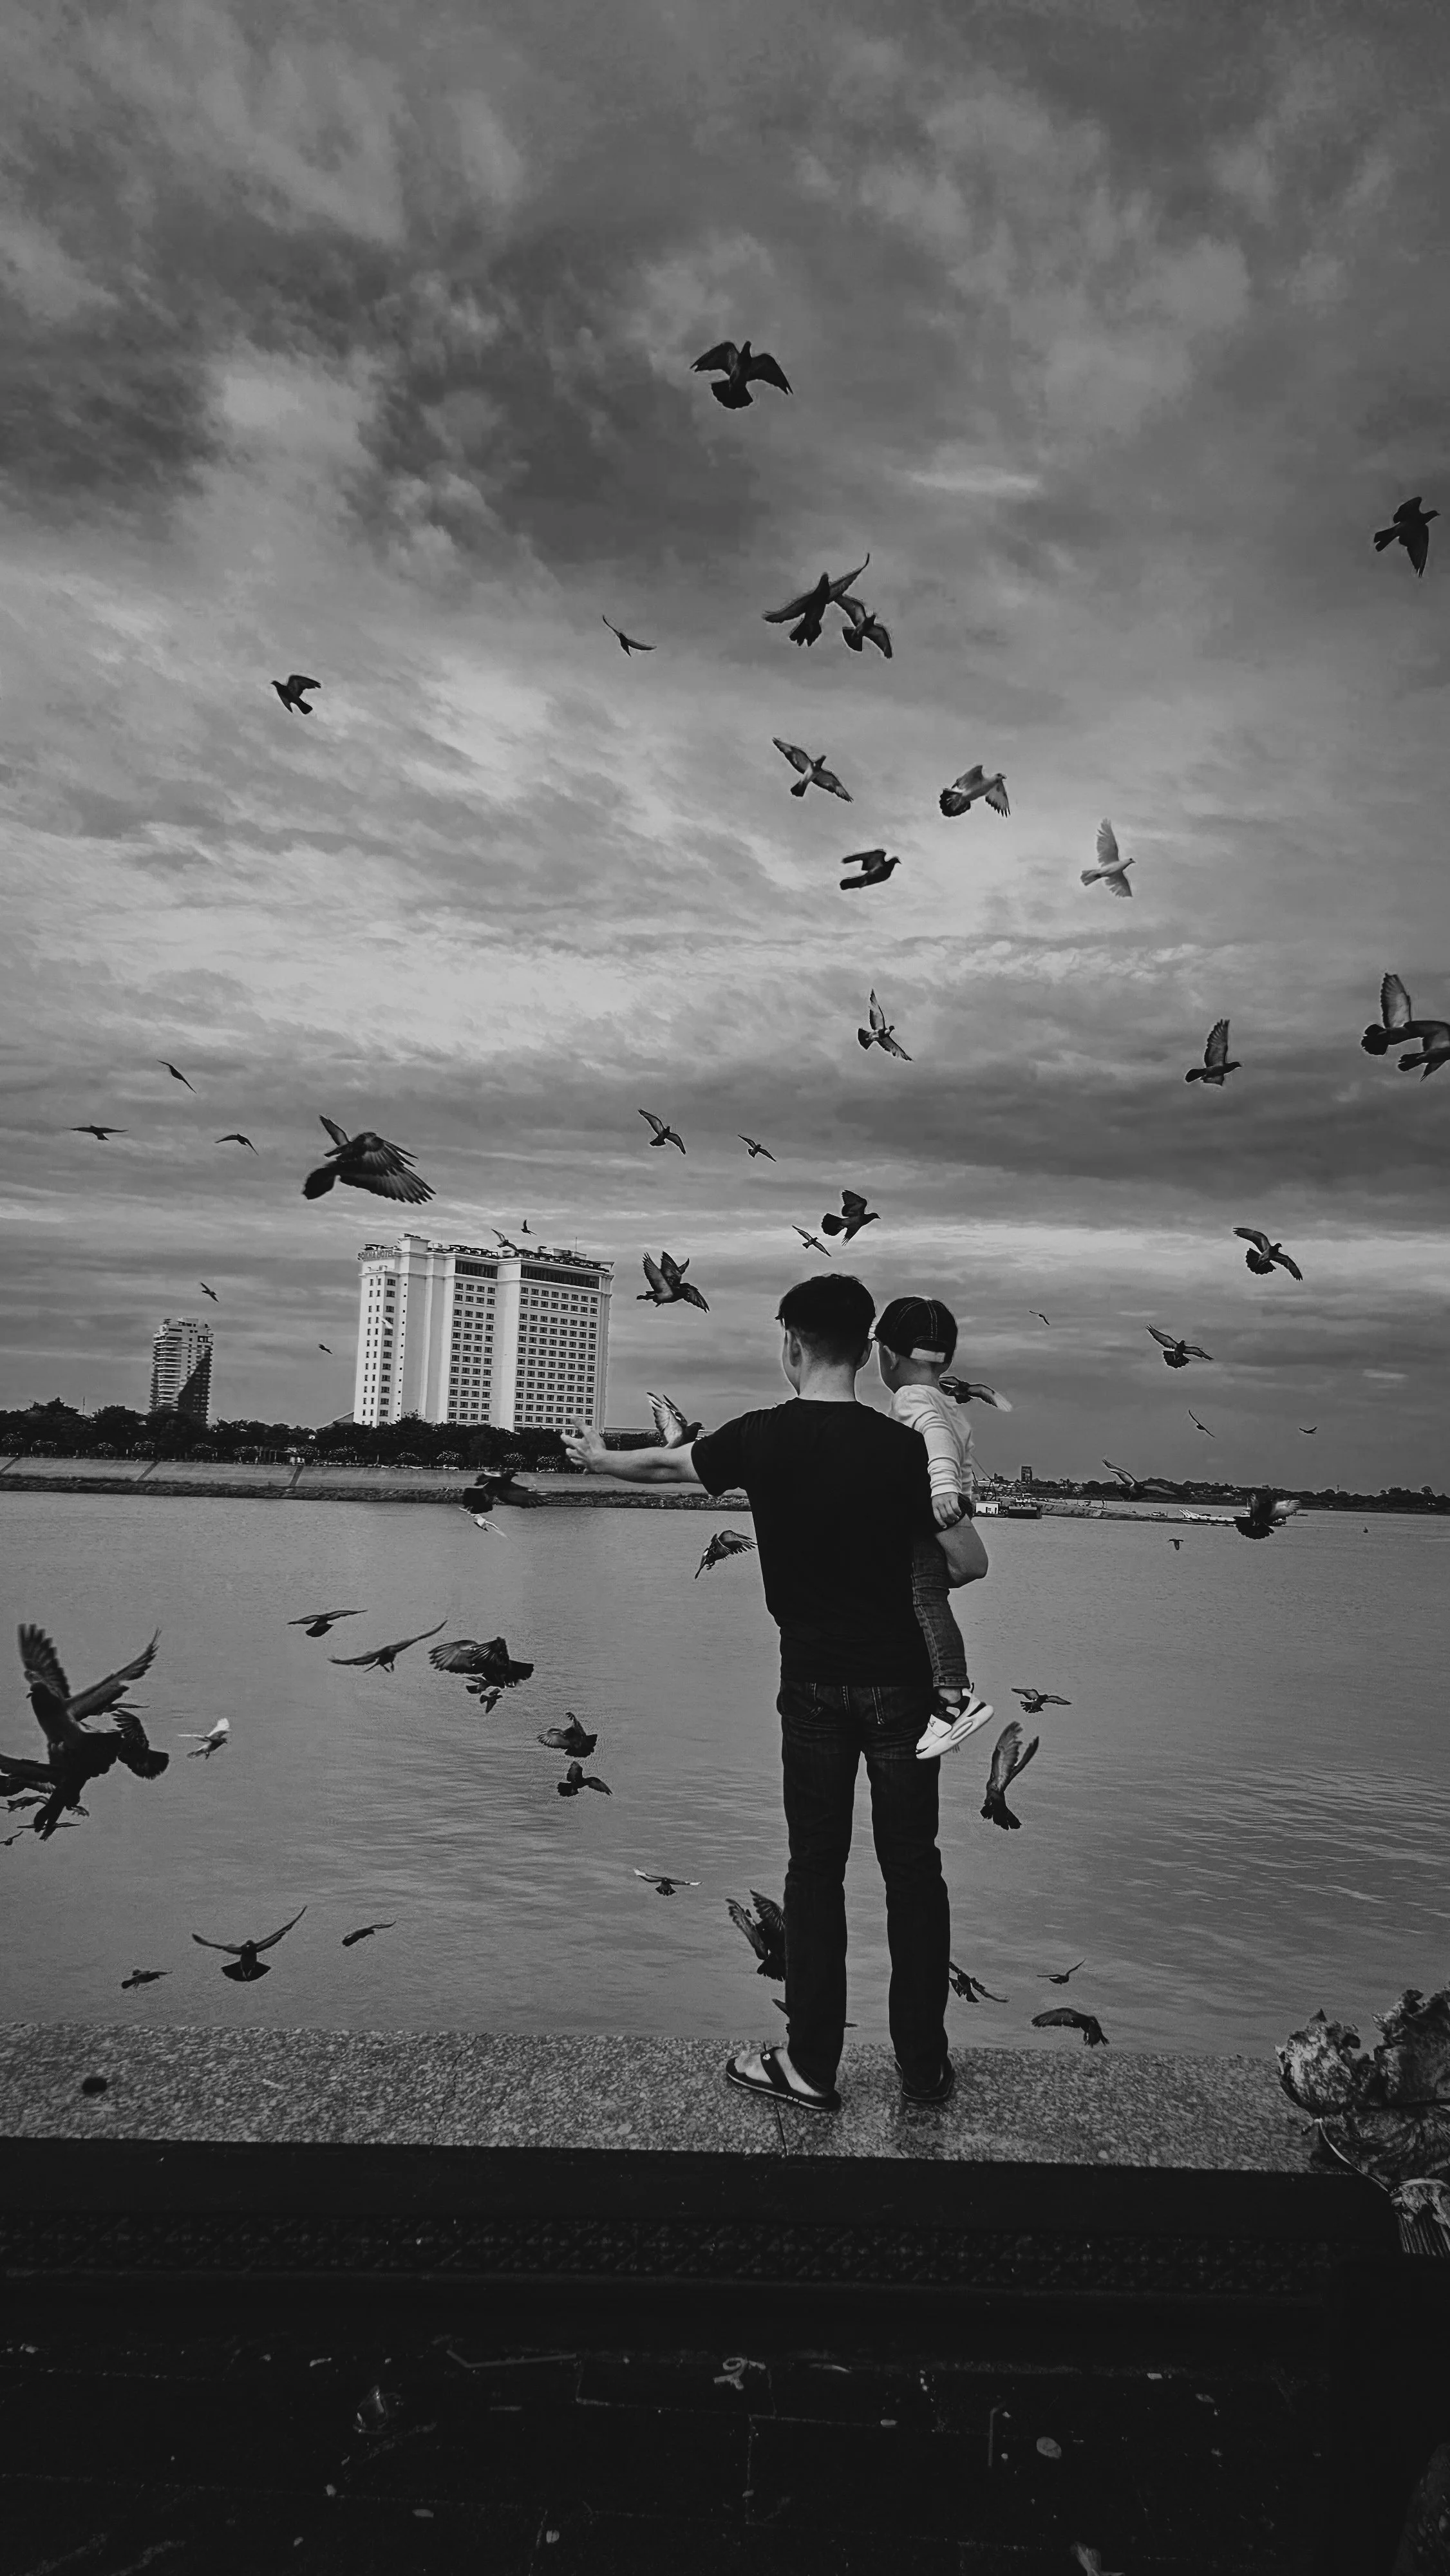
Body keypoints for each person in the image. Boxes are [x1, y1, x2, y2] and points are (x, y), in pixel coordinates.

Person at [563, 1271, 980, 2117]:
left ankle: (811, 2070)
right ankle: (923, 2069)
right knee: (914, 1874)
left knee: (814, 1876)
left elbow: (665, 1467)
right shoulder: (905, 1450)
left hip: (814, 1689)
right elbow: (967, 1560)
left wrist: (600, 1458)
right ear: (867, 1351)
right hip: (903, 1686)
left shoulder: (760, 1438)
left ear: (790, 1345)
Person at [871, 1295, 993, 1761]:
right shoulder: (947, 1402)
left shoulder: (910, 1398)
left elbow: (937, 1442)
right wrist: (958, 1500)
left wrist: (941, 1490)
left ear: (886, 1354)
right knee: (926, 1598)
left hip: (932, 1513)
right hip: (951, 1513)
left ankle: (952, 1699)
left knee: (924, 1599)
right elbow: (956, 1449)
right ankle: (943, 1691)